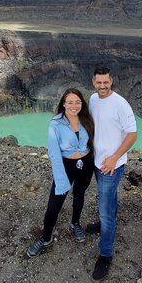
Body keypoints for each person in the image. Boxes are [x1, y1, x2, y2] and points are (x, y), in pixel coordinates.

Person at [26, 88, 95, 257]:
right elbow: (54, 153)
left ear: (82, 104)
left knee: (79, 194)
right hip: (66, 165)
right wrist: (61, 177)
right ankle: (46, 237)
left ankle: (75, 223)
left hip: (86, 164)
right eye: (70, 102)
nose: (74, 105)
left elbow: (94, 142)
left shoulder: (86, 119)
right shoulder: (55, 124)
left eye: (77, 102)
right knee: (54, 205)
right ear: (63, 104)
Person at [88, 66, 138, 283]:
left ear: (111, 81)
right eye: (99, 82)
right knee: (107, 200)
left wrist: (114, 157)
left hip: (111, 165)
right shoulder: (92, 99)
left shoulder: (120, 103)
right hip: (96, 162)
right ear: (93, 82)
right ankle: (104, 224)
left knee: (106, 210)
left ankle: (106, 255)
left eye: (105, 82)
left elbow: (133, 134)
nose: (102, 86)